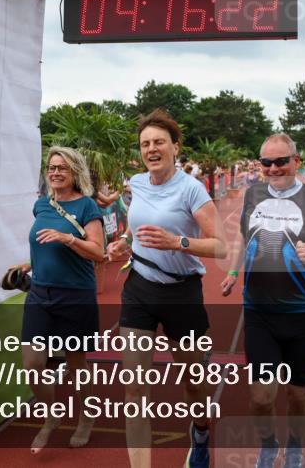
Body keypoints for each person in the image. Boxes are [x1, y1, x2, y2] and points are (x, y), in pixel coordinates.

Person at [106, 109, 228, 468]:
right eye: (145, 144)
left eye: (159, 142)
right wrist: (124, 242)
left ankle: (201, 431)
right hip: (139, 289)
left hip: (181, 293)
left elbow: (220, 246)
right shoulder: (137, 183)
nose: (151, 149)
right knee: (134, 389)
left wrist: (178, 242)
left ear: (175, 147)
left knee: (193, 382)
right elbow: (136, 226)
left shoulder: (192, 190)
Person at [221, 133, 305, 468]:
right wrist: (233, 272)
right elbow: (243, 236)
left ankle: (295, 445)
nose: (273, 169)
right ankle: (268, 445)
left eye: (281, 161)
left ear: (295, 161)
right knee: (261, 398)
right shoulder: (253, 194)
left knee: (297, 394)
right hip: (259, 311)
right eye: (266, 162)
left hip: (302, 312)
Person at [16, 146, 105, 454]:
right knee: (32, 364)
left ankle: (86, 416)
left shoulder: (87, 206)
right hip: (40, 293)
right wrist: (28, 265)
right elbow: (42, 245)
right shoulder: (41, 205)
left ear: (75, 172)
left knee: (76, 364)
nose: (55, 173)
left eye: (62, 168)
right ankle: (52, 414)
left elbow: (99, 253)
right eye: (52, 168)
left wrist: (67, 238)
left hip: (75, 294)